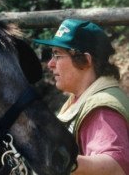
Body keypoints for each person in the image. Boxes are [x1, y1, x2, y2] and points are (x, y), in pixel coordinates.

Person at [34, 19, 129, 175]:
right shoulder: (83, 98)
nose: (50, 63)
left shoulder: (102, 108)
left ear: (85, 60)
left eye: (57, 55)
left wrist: (58, 159)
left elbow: (116, 167)